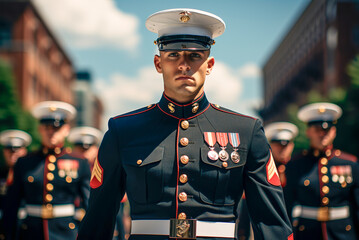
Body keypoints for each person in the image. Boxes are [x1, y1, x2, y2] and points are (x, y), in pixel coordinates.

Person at [78, 8, 293, 240]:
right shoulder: (123, 130)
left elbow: (272, 224)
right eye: (173, 55)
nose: (183, 65)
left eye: (194, 56)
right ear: (158, 63)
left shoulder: (246, 131)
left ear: (209, 64)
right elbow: (97, 220)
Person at [3, 101, 91, 240]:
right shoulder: (24, 162)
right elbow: (11, 205)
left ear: (66, 130)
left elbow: (89, 205)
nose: (51, 132)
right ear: (40, 129)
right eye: (46, 127)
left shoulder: (80, 162)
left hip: (66, 233)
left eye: (56, 128)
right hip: (30, 233)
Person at [284, 102, 359, 239]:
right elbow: (286, 207)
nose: (322, 133)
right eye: (317, 129)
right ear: (308, 132)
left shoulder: (350, 163)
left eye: (327, 129)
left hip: (344, 233)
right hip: (307, 233)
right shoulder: (295, 165)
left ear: (334, 132)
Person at [237, 122, 298, 240]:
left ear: (292, 146)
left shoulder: (299, 168)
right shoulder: (260, 170)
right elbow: (246, 206)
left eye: (286, 145)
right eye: (278, 144)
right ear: (270, 145)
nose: (282, 148)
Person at [0, 130, 31, 239]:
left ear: (24, 151)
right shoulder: (2, 175)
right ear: (4, 151)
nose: (13, 153)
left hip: (28, 226)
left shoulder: (32, 174)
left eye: (17, 150)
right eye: (9, 150)